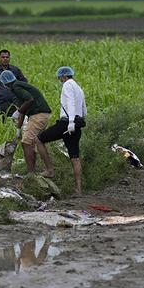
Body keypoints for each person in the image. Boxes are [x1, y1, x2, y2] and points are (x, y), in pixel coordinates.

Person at [36, 66, 87, 195]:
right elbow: (84, 109)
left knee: (39, 139)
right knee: (75, 157)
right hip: (77, 124)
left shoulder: (67, 85)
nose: (60, 81)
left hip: (66, 124)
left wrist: (70, 122)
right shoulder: (78, 88)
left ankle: (49, 170)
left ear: (64, 76)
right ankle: (78, 190)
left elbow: (70, 103)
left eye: (60, 78)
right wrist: (76, 122)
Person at [0, 70, 52, 174]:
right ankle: (36, 171)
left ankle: (31, 173)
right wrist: (18, 129)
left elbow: (29, 100)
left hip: (38, 115)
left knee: (26, 142)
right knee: (33, 142)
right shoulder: (18, 88)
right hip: (41, 115)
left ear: (5, 83)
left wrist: (18, 112)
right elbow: (23, 111)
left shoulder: (16, 87)